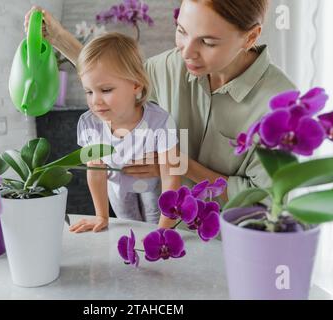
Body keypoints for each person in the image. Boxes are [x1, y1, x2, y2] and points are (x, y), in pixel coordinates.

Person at [24, 0, 296, 228]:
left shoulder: (282, 106)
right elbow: (117, 81)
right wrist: (59, 39)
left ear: (250, 37)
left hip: (226, 244)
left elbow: (265, 201)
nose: (186, 51)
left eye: (208, 42)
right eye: (182, 31)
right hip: (162, 235)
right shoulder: (170, 66)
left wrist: (182, 165)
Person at [67, 32, 182, 233]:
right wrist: (101, 216)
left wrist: (164, 231)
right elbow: (95, 171)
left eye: (106, 90)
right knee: (129, 227)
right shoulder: (89, 124)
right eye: (89, 91)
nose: (95, 101)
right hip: (117, 188)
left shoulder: (160, 121)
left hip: (153, 189)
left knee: (153, 223)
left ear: (136, 84)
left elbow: (171, 177)